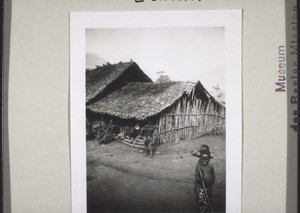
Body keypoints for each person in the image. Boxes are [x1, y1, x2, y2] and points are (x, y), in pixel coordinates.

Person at [192, 145, 215, 212]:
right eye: (202, 149)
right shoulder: (200, 155)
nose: (202, 150)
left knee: (208, 195)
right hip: (199, 170)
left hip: (206, 170)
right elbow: (193, 153)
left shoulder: (207, 156)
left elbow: (212, 156)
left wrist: (206, 151)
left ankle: (207, 207)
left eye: (204, 149)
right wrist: (199, 150)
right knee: (200, 189)